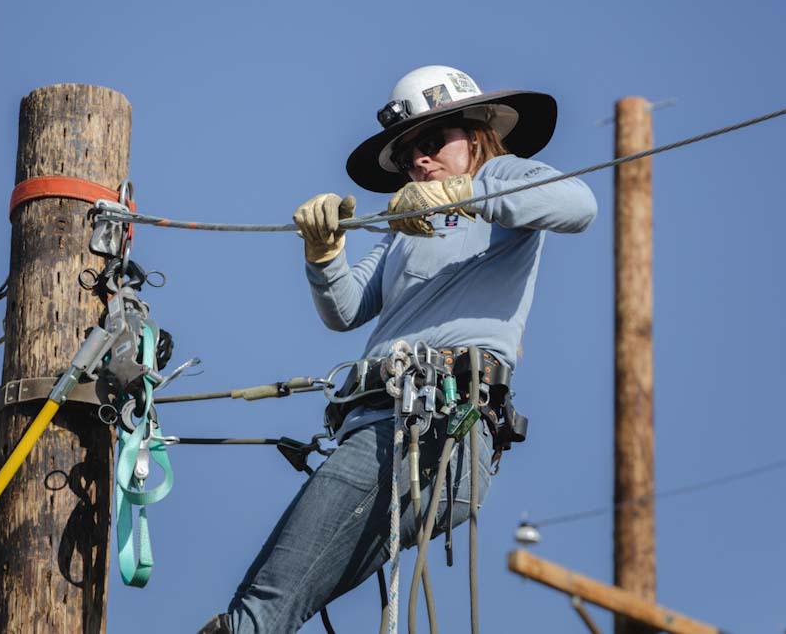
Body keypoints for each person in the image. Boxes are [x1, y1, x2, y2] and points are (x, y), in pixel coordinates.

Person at [200, 65, 597, 633]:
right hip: (383, 425)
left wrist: (466, 191)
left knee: (260, 609)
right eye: (409, 153)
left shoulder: (505, 179)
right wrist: (323, 252)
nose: (419, 160)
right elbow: (344, 308)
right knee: (280, 608)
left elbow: (578, 204)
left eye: (433, 143)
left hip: (433, 428)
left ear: (477, 134)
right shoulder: (402, 231)